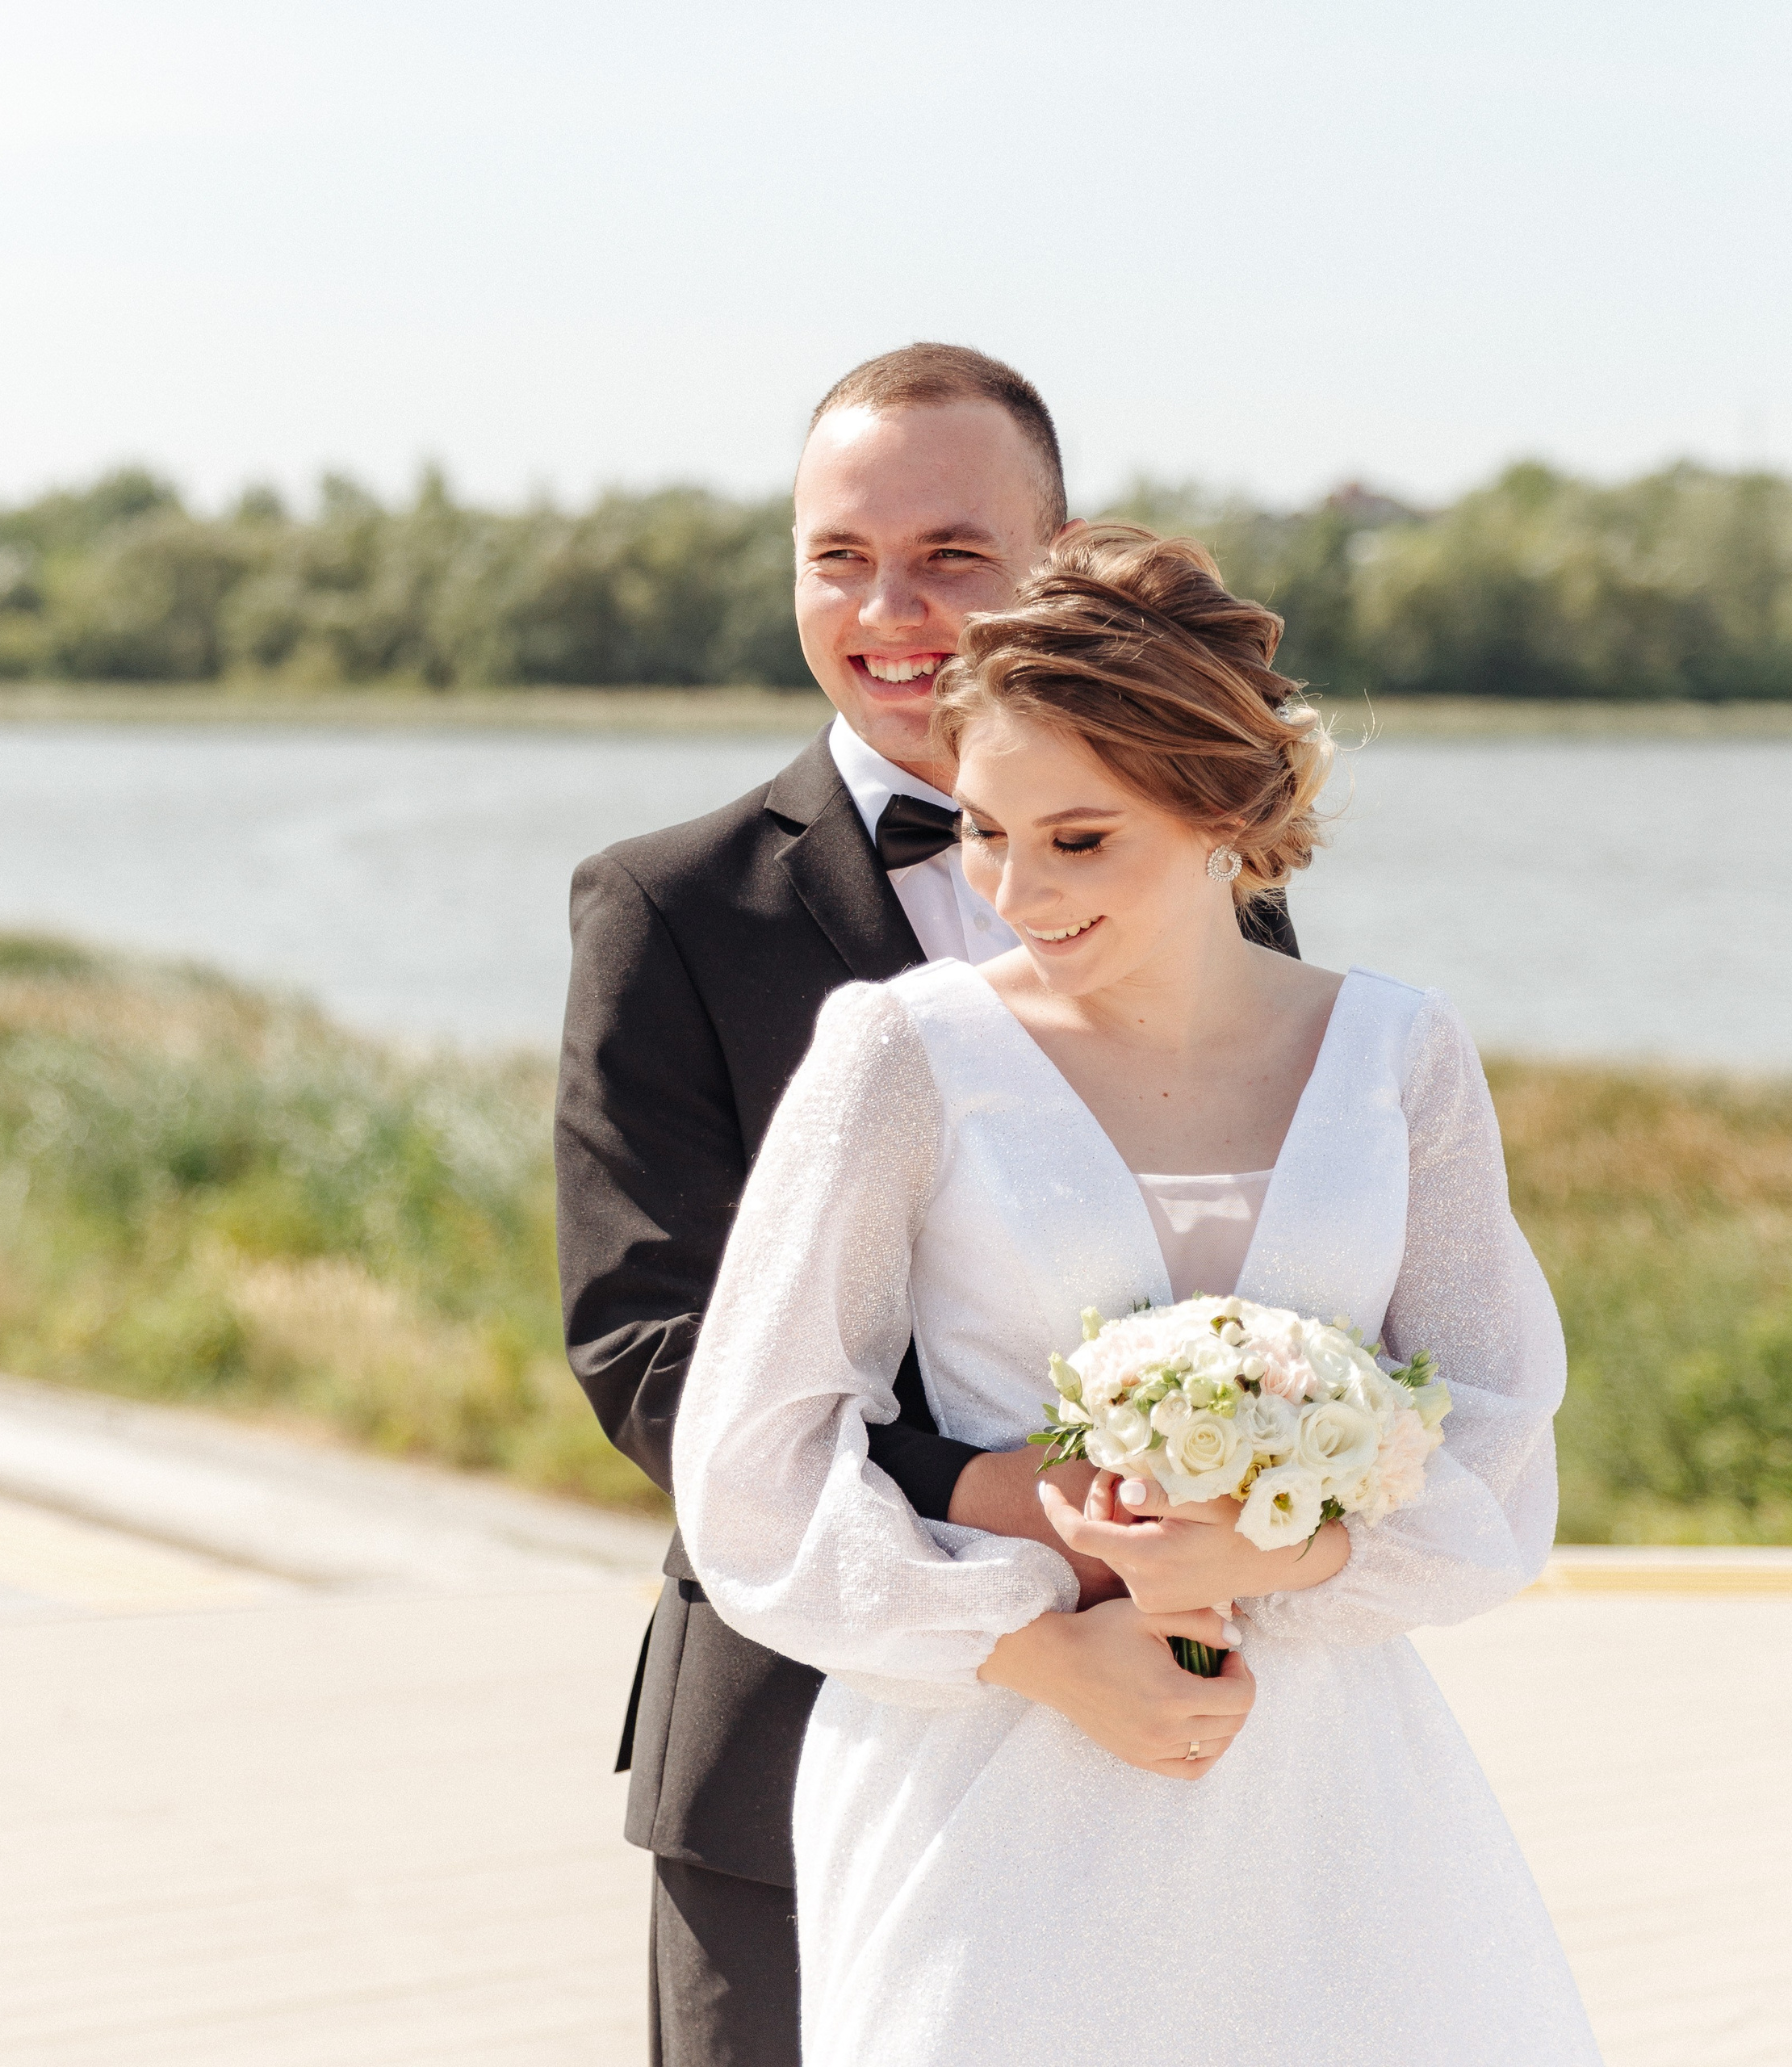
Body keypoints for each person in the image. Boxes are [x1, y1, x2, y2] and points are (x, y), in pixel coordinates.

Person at [673, 526, 1602, 2064]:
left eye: (1080, 839)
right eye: (981, 834)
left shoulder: (1399, 1056)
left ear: (1228, 809)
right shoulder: (900, 1055)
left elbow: (1497, 1426)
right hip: (989, 1769)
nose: (1017, 892)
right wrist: (1032, 1647)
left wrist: (1285, 1556)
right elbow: (754, 1456)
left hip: (1325, 1792)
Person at [554, 346, 1297, 2065]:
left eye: (952, 553)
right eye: (836, 554)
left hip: (1180, 1729)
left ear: (1062, 556)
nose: (888, 607)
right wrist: (1009, 1502)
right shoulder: (667, 912)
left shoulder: (1215, 894)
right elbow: (650, 1348)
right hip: (794, 1744)